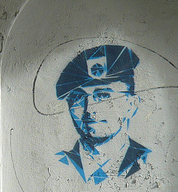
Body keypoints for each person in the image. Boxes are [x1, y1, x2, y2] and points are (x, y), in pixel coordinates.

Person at [55, 45, 150, 184]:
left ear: (131, 104)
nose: (88, 109)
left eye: (102, 96)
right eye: (78, 98)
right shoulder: (59, 165)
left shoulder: (148, 162)